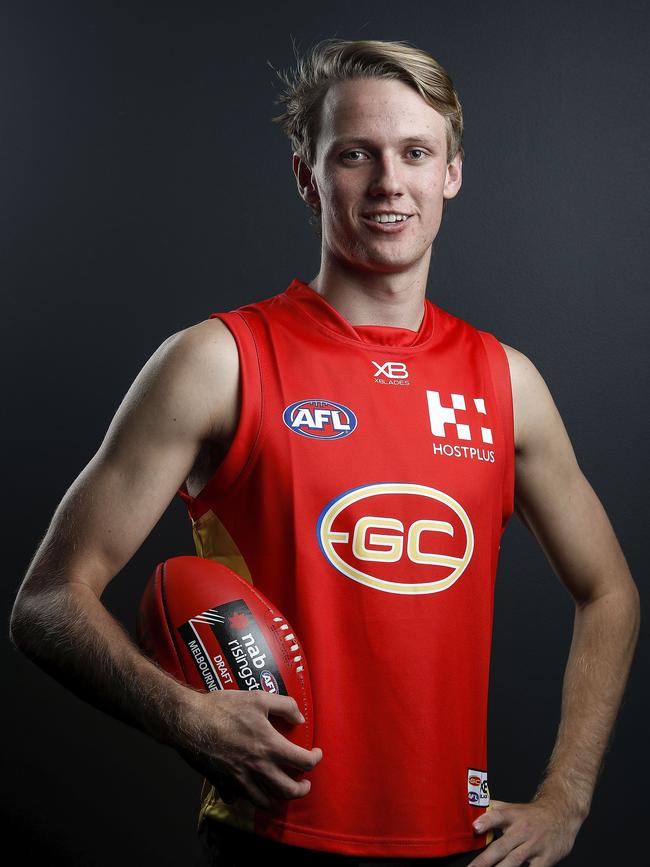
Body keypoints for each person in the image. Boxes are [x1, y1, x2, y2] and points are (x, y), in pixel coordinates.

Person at [9, 37, 639, 867]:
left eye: (416, 152)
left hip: (460, 845)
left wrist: (567, 796)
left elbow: (610, 592)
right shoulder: (219, 361)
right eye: (355, 155)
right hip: (272, 838)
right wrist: (184, 717)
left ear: (450, 171)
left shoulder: (506, 382)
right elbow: (48, 602)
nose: (389, 182)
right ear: (307, 176)